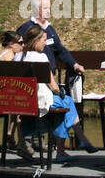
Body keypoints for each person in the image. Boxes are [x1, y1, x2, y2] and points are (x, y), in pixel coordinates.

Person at [17, 0, 97, 152]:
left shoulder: (50, 29)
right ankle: (72, 142)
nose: (49, 10)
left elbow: (60, 50)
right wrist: (58, 91)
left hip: (30, 90)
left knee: (63, 103)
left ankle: (61, 148)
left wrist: (74, 64)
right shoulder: (26, 29)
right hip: (36, 89)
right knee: (65, 101)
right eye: (46, 8)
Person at [17, 27, 84, 158]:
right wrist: (60, 93)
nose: (46, 43)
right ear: (36, 41)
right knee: (67, 102)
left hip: (21, 102)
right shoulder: (41, 57)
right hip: (39, 101)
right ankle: (64, 148)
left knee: (64, 105)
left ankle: (77, 141)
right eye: (44, 40)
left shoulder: (18, 56)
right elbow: (52, 85)